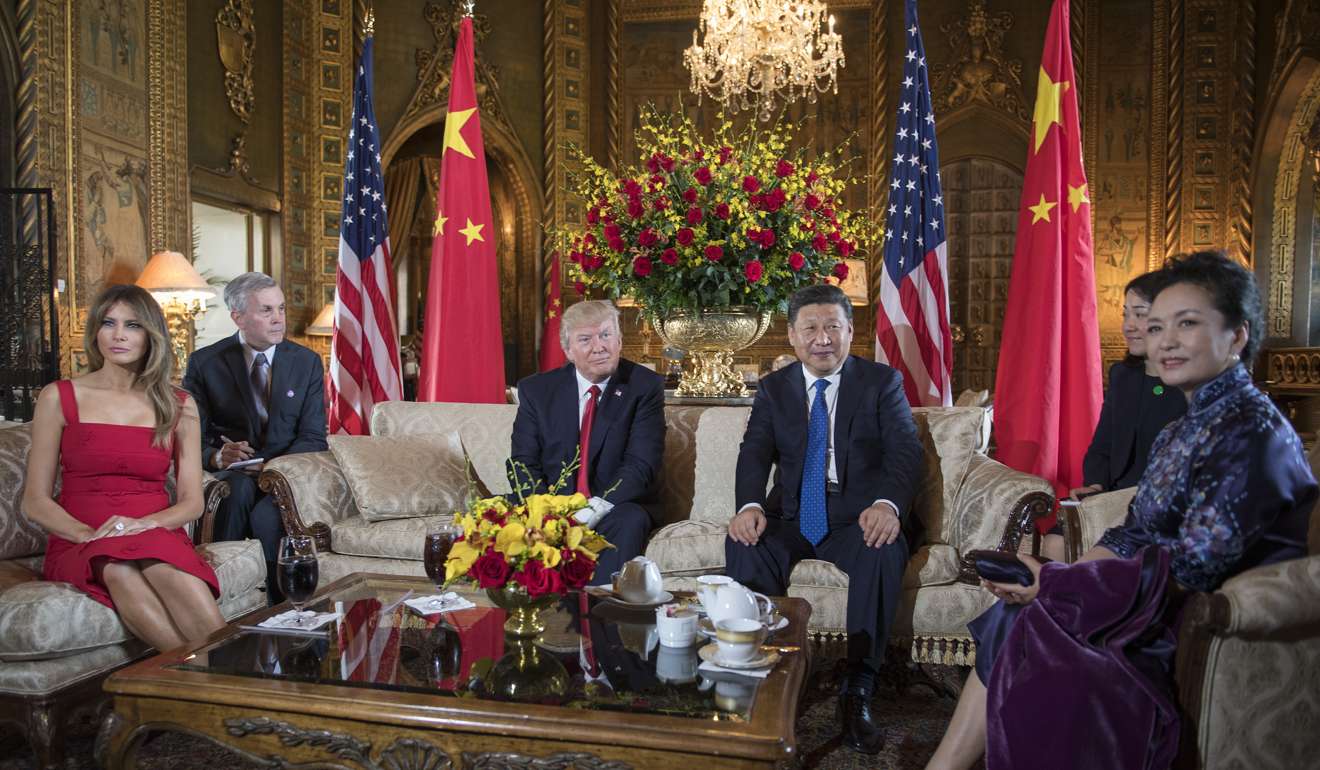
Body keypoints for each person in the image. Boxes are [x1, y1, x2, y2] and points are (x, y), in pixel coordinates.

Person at [926, 251, 1317, 770]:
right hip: (1151, 591)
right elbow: (1133, 534)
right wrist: (1059, 574)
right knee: (1017, 613)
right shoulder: (1182, 428)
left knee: (1038, 623)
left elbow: (1199, 566)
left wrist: (1058, 586)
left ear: (1238, 335)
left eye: (1188, 324)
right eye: (1156, 327)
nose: (1166, 341)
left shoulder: (1250, 429)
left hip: (1201, 613)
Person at [725, 284, 924, 755]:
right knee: (744, 543)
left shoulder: (880, 382)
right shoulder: (775, 389)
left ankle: (858, 689)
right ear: (792, 337)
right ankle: (766, 674)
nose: (823, 338)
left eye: (833, 326)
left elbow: (904, 451)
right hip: (793, 515)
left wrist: (888, 505)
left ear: (850, 332)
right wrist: (749, 506)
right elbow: (754, 451)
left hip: (858, 517)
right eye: (810, 328)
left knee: (883, 548)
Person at [22, 284, 226, 651]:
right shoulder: (58, 396)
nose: (118, 335)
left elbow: (192, 502)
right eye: (108, 323)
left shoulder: (179, 404)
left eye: (132, 325)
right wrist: (88, 535)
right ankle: (197, 685)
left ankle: (229, 682)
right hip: (82, 537)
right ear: (95, 332)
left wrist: (146, 525)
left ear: (152, 335)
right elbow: (35, 501)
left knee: (167, 569)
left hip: (152, 529)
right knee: (117, 568)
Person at [182, 272, 328, 602]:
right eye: (266, 311)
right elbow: (193, 435)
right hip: (233, 474)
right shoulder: (205, 363)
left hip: (285, 474)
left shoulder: (306, 363)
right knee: (233, 497)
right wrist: (218, 457)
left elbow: (313, 436)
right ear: (238, 317)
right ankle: (220, 600)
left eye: (281, 309)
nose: (279, 320)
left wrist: (272, 468)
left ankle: (286, 606)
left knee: (268, 515)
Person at [509, 299, 665, 584]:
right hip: (551, 502)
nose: (599, 346)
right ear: (568, 351)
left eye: (606, 335)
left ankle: (600, 617)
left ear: (619, 340)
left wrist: (592, 510)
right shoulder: (537, 390)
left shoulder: (644, 386)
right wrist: (545, 511)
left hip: (613, 505)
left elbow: (641, 465)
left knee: (630, 520)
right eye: (585, 339)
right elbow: (523, 460)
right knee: (493, 514)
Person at [1041, 271, 1189, 561]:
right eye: (1126, 314)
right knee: (1054, 544)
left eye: (1140, 314)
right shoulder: (1123, 376)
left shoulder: (1189, 385)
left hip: (1158, 506)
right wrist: (1096, 484)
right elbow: (1102, 448)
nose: (1129, 326)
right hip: (1110, 496)